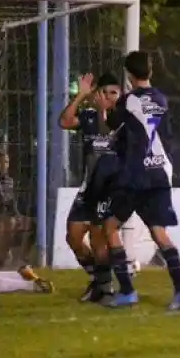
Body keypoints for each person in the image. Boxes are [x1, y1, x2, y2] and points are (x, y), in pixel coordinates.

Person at [98, 50, 180, 311]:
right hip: (159, 173)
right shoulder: (161, 99)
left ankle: (127, 291)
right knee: (159, 233)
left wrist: (103, 108)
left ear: (129, 75)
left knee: (110, 227)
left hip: (135, 177)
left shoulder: (128, 101)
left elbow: (110, 127)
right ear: (150, 72)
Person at [58, 71, 122, 302]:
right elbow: (64, 121)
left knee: (98, 238)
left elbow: (108, 130)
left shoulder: (123, 120)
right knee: (73, 237)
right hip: (88, 189)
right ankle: (99, 280)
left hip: (110, 190)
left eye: (113, 92)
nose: (108, 96)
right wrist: (80, 97)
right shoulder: (88, 117)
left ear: (120, 95)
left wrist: (105, 110)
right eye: (103, 92)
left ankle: (104, 288)